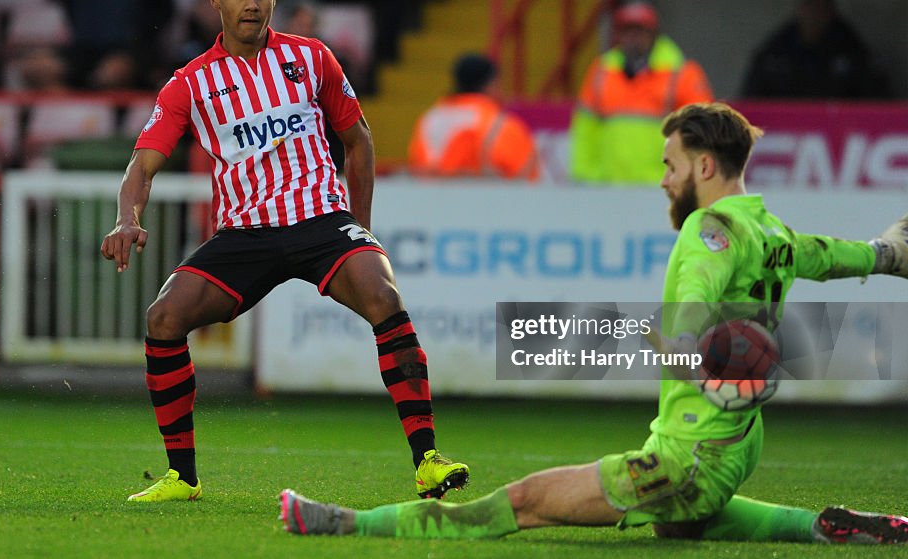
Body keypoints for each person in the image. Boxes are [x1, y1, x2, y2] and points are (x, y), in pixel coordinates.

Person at [279, 102, 908, 545]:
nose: (664, 181)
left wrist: (683, 343)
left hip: (686, 454)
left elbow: (695, 300)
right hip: (737, 445)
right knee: (683, 522)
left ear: (706, 168)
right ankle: (824, 526)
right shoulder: (773, 229)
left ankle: (348, 524)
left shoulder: (708, 230)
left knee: (520, 504)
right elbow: (836, 257)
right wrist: (891, 253)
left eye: (671, 165)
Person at [100, 0, 469, 503]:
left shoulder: (312, 57)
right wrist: (127, 218)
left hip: (321, 220)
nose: (253, 5)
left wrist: (360, 227)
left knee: (383, 297)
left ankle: (428, 461)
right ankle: (183, 476)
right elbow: (141, 164)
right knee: (164, 317)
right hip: (246, 234)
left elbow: (358, 140)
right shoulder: (189, 84)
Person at [570, 3, 712, 185]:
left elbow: (702, 133)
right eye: (627, 31)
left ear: (653, 35)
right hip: (608, 186)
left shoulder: (681, 74)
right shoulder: (602, 71)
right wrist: (584, 176)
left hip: (661, 186)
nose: (633, 37)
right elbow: (585, 129)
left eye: (640, 31)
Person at [741, 0, 888, 99]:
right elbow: (751, 99)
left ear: (831, 14)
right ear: (799, 10)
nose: (814, 17)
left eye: (821, 10)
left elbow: (875, 98)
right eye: (809, 8)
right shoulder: (776, 51)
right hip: (785, 129)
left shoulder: (851, 49)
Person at [408, 53, 540, 180]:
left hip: (430, 199)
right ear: (491, 84)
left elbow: (417, 164)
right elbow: (527, 178)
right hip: (488, 200)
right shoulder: (500, 124)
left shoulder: (429, 119)